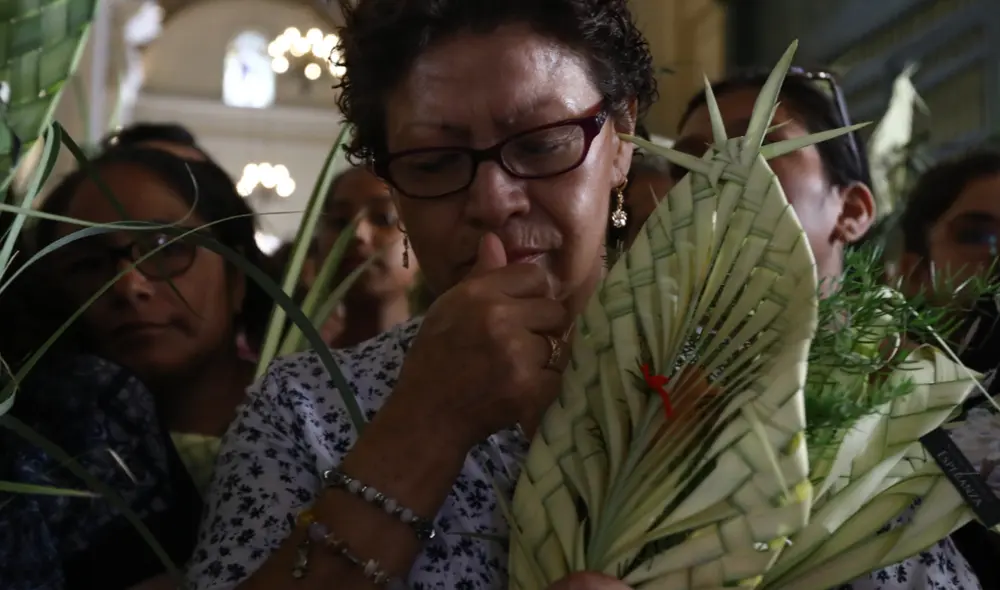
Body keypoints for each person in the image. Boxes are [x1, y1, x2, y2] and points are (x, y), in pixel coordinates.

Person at [186, 0, 655, 588]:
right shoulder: (307, 412)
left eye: (540, 145)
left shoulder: (727, 374)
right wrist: (427, 421)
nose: (492, 200)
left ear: (622, 139)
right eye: (434, 163)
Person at [675, 73, 980, 589]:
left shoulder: (929, 392)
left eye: (761, 144)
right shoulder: (645, 384)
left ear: (854, 211)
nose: (717, 170)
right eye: (691, 157)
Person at [312, 165, 418, 348]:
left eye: (384, 218)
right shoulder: (296, 370)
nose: (357, 234)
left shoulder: (452, 359)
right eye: (340, 221)